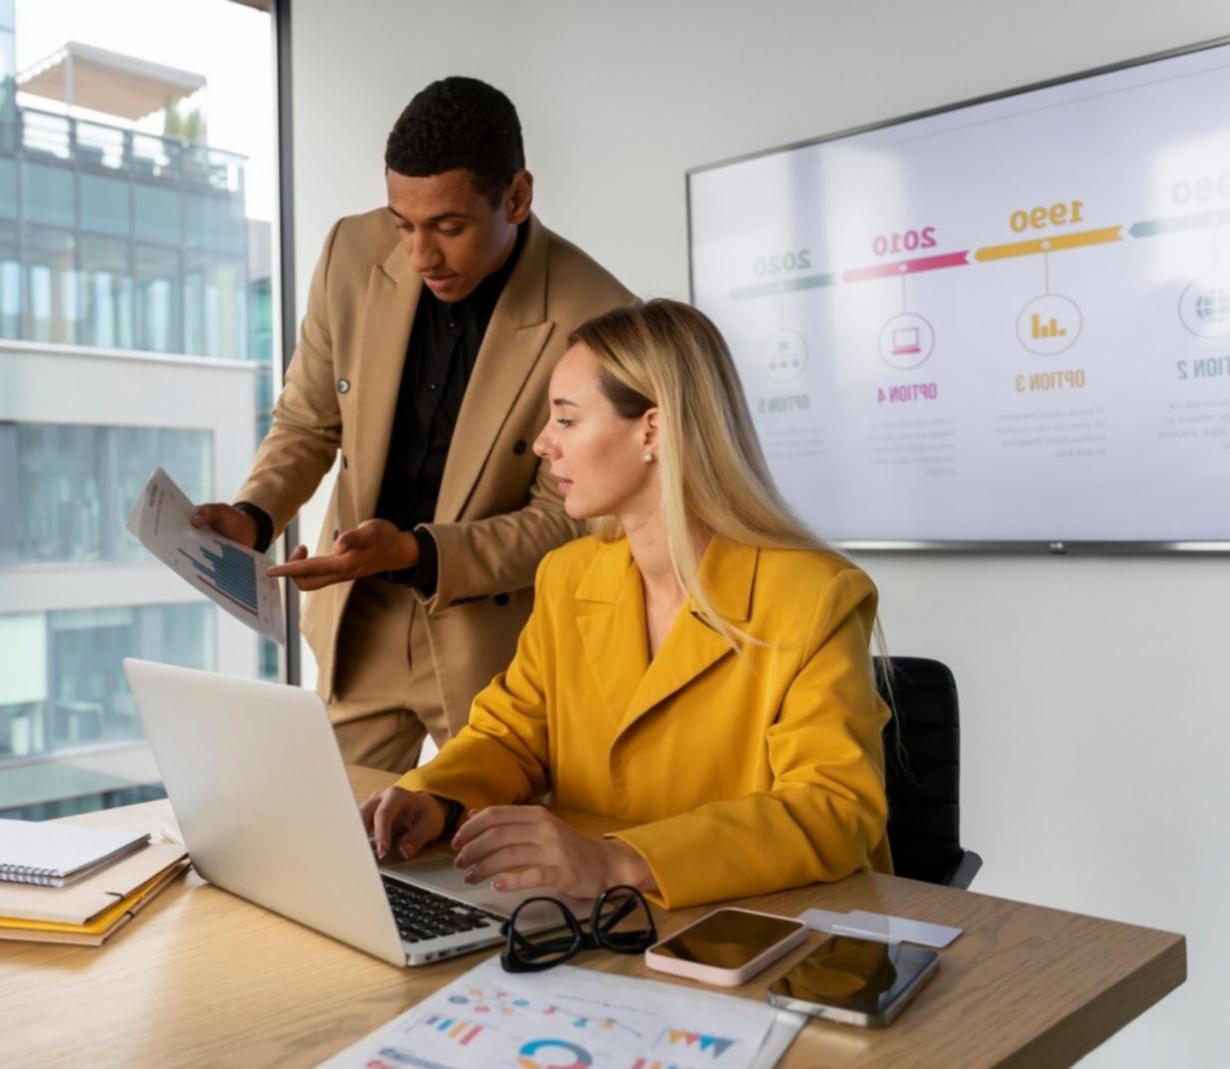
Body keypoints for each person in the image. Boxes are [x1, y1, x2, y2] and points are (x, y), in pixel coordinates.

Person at [359, 299, 893, 909]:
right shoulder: (569, 575)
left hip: (754, 924)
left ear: (653, 431)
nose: (541, 444)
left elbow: (834, 807)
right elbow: (513, 735)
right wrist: (435, 795)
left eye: (566, 420)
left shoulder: (813, 594)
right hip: (598, 918)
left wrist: (619, 858)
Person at [192, 77, 631, 772]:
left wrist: (417, 553)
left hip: (498, 643)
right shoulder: (350, 249)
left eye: (447, 227)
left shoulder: (598, 313)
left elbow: (568, 515)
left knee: (500, 867)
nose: (419, 254)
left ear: (516, 196)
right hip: (355, 619)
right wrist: (253, 513)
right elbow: (308, 419)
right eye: (403, 223)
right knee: (331, 850)